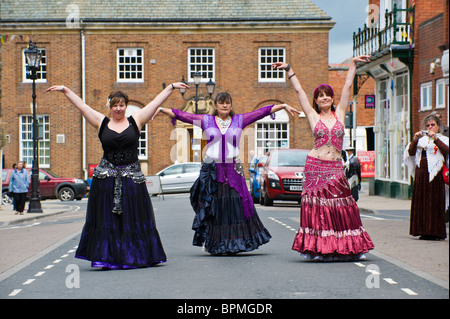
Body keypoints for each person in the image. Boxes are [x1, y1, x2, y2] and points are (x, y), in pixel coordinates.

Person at [46, 82, 188, 269]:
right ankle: (107, 256)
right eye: (115, 105)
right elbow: (82, 106)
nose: (119, 108)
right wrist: (66, 90)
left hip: (132, 180)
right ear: (110, 106)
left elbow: (154, 102)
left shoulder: (136, 120)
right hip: (106, 180)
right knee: (108, 219)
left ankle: (135, 255)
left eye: (122, 105)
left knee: (132, 218)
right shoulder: (100, 122)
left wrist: (170, 87)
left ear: (126, 106)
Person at [152, 92, 298, 255]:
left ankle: (237, 241)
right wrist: (162, 109)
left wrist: (283, 106)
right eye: (221, 103)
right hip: (214, 169)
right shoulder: (206, 121)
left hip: (233, 169)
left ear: (230, 105)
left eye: (227, 102)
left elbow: (261, 112)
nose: (224, 105)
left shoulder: (239, 120)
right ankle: (218, 242)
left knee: (236, 205)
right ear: (215, 105)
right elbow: (184, 115)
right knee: (217, 206)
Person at [272, 56, 374, 261]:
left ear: (332, 99)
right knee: (318, 208)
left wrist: (353, 65)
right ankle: (317, 247)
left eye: (328, 95)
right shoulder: (312, 116)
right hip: (315, 166)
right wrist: (289, 70)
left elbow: (347, 88)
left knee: (344, 205)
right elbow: (299, 91)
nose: (325, 98)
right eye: (320, 96)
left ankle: (351, 246)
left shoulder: (340, 114)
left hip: (335, 167)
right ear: (316, 100)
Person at [403, 114, 449, 240]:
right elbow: (411, 152)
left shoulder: (443, 139)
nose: (430, 127)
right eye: (428, 125)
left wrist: (435, 140)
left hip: (435, 175)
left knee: (434, 202)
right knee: (421, 202)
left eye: (432, 125)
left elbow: (446, 151)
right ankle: (422, 230)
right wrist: (415, 139)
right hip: (421, 174)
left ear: (438, 126)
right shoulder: (421, 140)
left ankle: (435, 232)